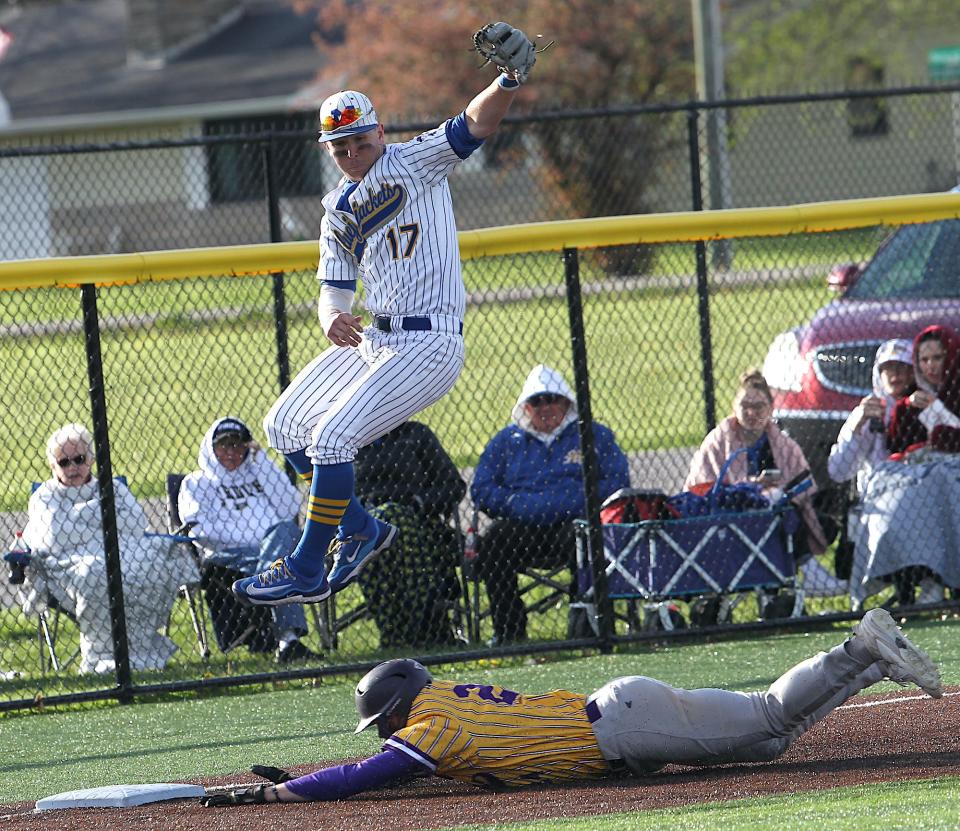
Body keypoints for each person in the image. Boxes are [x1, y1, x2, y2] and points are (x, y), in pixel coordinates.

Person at [233, 22, 537, 609]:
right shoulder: (337, 208)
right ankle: (361, 529)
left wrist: (508, 79)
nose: (351, 154)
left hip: (430, 344)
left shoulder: (415, 161)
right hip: (377, 340)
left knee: (330, 436)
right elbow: (334, 282)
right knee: (284, 426)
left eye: (359, 142)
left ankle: (305, 565)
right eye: (339, 147)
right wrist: (330, 316)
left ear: (379, 132)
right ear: (328, 150)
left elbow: (476, 123)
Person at [199, 607, 941, 806]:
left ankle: (857, 649)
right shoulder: (446, 700)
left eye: (383, 721)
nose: (388, 733)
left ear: (395, 708)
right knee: (769, 737)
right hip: (618, 713)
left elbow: (366, 777)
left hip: (621, 723)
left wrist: (283, 788)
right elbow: (402, 767)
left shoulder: (434, 724)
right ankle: (870, 657)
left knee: (768, 725)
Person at [470, 364, 630, 645]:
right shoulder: (506, 442)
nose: (545, 407)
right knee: (494, 539)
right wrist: (514, 504)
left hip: (573, 524)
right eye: (536, 401)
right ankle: (509, 632)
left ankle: (584, 626)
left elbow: (616, 481)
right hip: (522, 527)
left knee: (586, 538)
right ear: (526, 407)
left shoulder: (593, 435)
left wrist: (574, 502)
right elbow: (481, 487)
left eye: (551, 399)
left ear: (566, 402)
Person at [15, 423, 189, 674]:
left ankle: (141, 652)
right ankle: (103, 656)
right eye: (64, 462)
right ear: (53, 466)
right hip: (66, 570)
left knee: (150, 563)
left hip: (123, 558)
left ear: (92, 459)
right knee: (93, 574)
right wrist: (102, 513)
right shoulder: (44, 497)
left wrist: (75, 519)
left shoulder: (113, 488)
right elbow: (53, 537)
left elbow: (136, 525)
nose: (73, 467)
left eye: (79, 459)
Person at [684, 368, 844, 598]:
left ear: (770, 409)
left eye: (759, 407)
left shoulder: (781, 443)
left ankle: (804, 578)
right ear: (734, 408)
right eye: (744, 406)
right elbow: (704, 487)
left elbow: (803, 483)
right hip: (729, 515)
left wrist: (781, 490)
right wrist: (752, 485)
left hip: (774, 514)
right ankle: (809, 575)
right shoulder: (718, 441)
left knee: (800, 513)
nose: (751, 412)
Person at [177, 417, 320, 664]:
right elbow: (199, 531)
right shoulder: (196, 483)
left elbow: (289, 507)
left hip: (273, 551)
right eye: (223, 446)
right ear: (211, 448)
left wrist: (261, 460)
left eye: (238, 445)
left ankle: (286, 635)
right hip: (228, 555)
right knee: (283, 564)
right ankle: (287, 634)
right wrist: (258, 547)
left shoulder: (259, 473)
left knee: (285, 530)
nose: (231, 452)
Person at [354, 421, 467, 648]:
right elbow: (331, 497)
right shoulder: (345, 442)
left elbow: (453, 485)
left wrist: (419, 502)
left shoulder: (415, 435)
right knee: (384, 522)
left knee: (394, 519)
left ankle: (396, 632)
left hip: (421, 524)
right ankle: (427, 624)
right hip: (362, 529)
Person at [827, 338, 916, 491]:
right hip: (877, 496)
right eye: (888, 367)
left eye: (901, 366)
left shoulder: (923, 404)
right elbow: (838, 472)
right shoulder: (868, 410)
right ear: (879, 373)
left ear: (913, 373)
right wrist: (859, 425)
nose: (895, 373)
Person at [888, 324, 960, 455]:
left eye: (937, 358)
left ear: (951, 357)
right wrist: (907, 405)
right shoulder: (914, 396)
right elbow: (895, 446)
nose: (930, 366)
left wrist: (937, 407)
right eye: (924, 360)